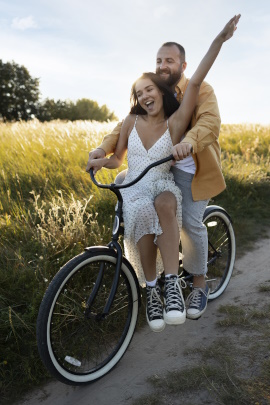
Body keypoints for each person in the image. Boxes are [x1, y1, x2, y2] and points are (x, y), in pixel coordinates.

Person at [86, 15, 240, 332]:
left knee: (187, 222)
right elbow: (121, 132)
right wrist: (102, 151)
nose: (162, 65)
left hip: (191, 170)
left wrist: (187, 142)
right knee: (144, 218)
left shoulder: (199, 91)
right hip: (149, 176)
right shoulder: (152, 97)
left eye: (169, 60)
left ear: (183, 65)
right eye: (158, 60)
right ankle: (154, 284)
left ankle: (198, 285)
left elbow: (209, 123)